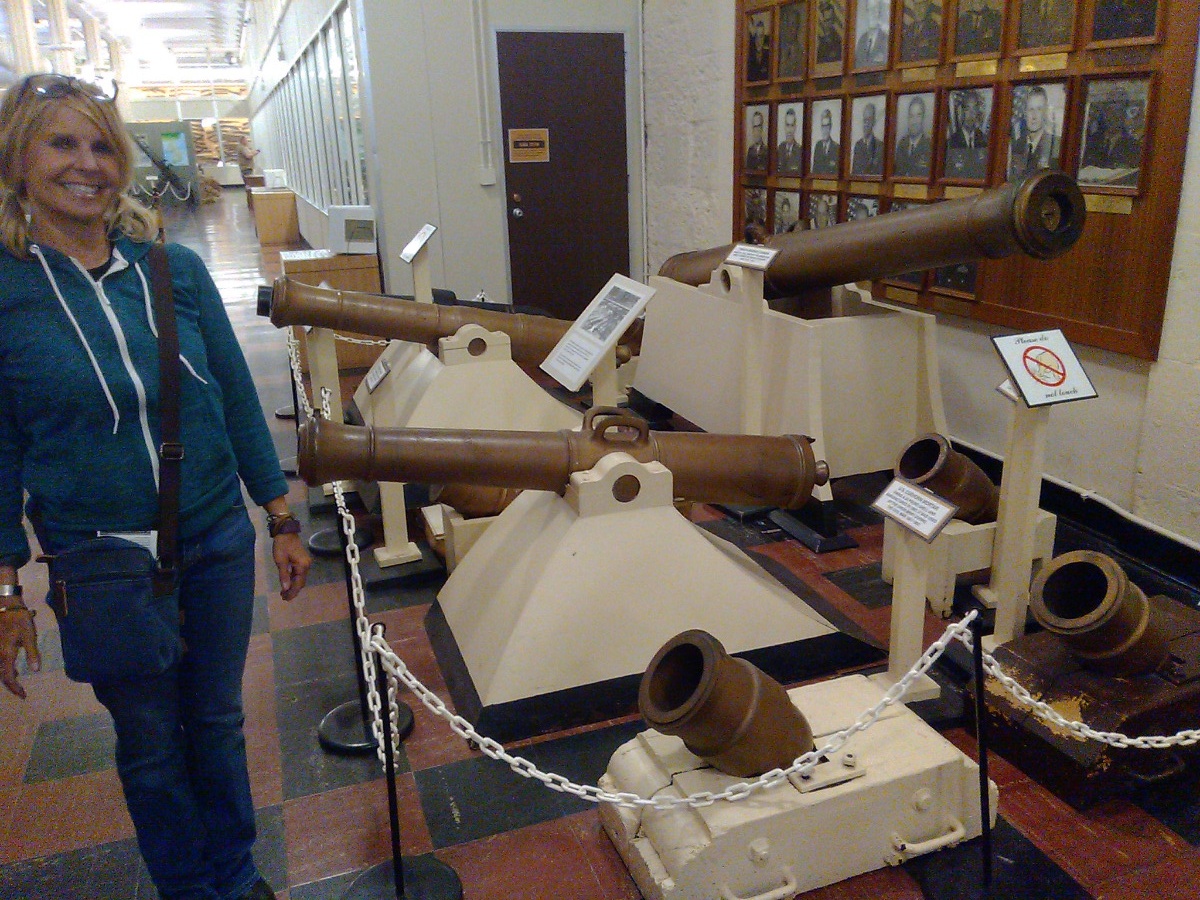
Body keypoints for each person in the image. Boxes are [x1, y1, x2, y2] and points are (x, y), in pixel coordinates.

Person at [0, 74, 311, 900]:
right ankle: (189, 889)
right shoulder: (8, 291)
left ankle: (236, 878)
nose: (87, 164)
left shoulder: (174, 271)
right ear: (18, 159)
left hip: (213, 536)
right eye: (62, 143)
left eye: (103, 146)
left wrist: (280, 514)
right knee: (149, 746)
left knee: (216, 722)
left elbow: (235, 398)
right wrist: (5, 589)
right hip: (101, 561)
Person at [1009, 85, 1059, 179]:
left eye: (1039, 109)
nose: (1034, 116)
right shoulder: (1016, 146)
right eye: (1030, 109)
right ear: (1025, 113)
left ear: (1045, 112)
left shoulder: (1055, 146)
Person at [946, 90, 989, 179]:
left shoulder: (984, 141)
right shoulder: (952, 141)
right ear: (961, 111)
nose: (971, 113)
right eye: (967, 109)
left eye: (974, 109)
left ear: (978, 112)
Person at [894, 95, 932, 177]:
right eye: (911, 116)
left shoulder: (930, 146)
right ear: (908, 118)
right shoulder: (901, 144)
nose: (914, 121)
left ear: (923, 118)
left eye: (918, 115)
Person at [851, 100, 884, 176]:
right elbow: (854, 173)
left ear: (874, 122)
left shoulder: (880, 147)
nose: (866, 124)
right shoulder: (858, 145)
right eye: (864, 120)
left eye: (869, 120)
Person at [854, 0, 890, 68]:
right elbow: (856, 64)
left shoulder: (886, 39)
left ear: (879, 14)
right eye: (869, 10)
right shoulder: (862, 39)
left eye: (875, 10)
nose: (872, 14)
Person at [811, 107, 840, 175]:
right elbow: (814, 171)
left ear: (830, 127)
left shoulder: (837, 148)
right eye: (823, 126)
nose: (825, 130)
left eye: (827, 126)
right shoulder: (818, 146)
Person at [776, 107, 804, 175]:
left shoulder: (800, 151)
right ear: (784, 127)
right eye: (787, 125)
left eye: (792, 125)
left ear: (795, 127)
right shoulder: (779, 149)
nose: (789, 130)